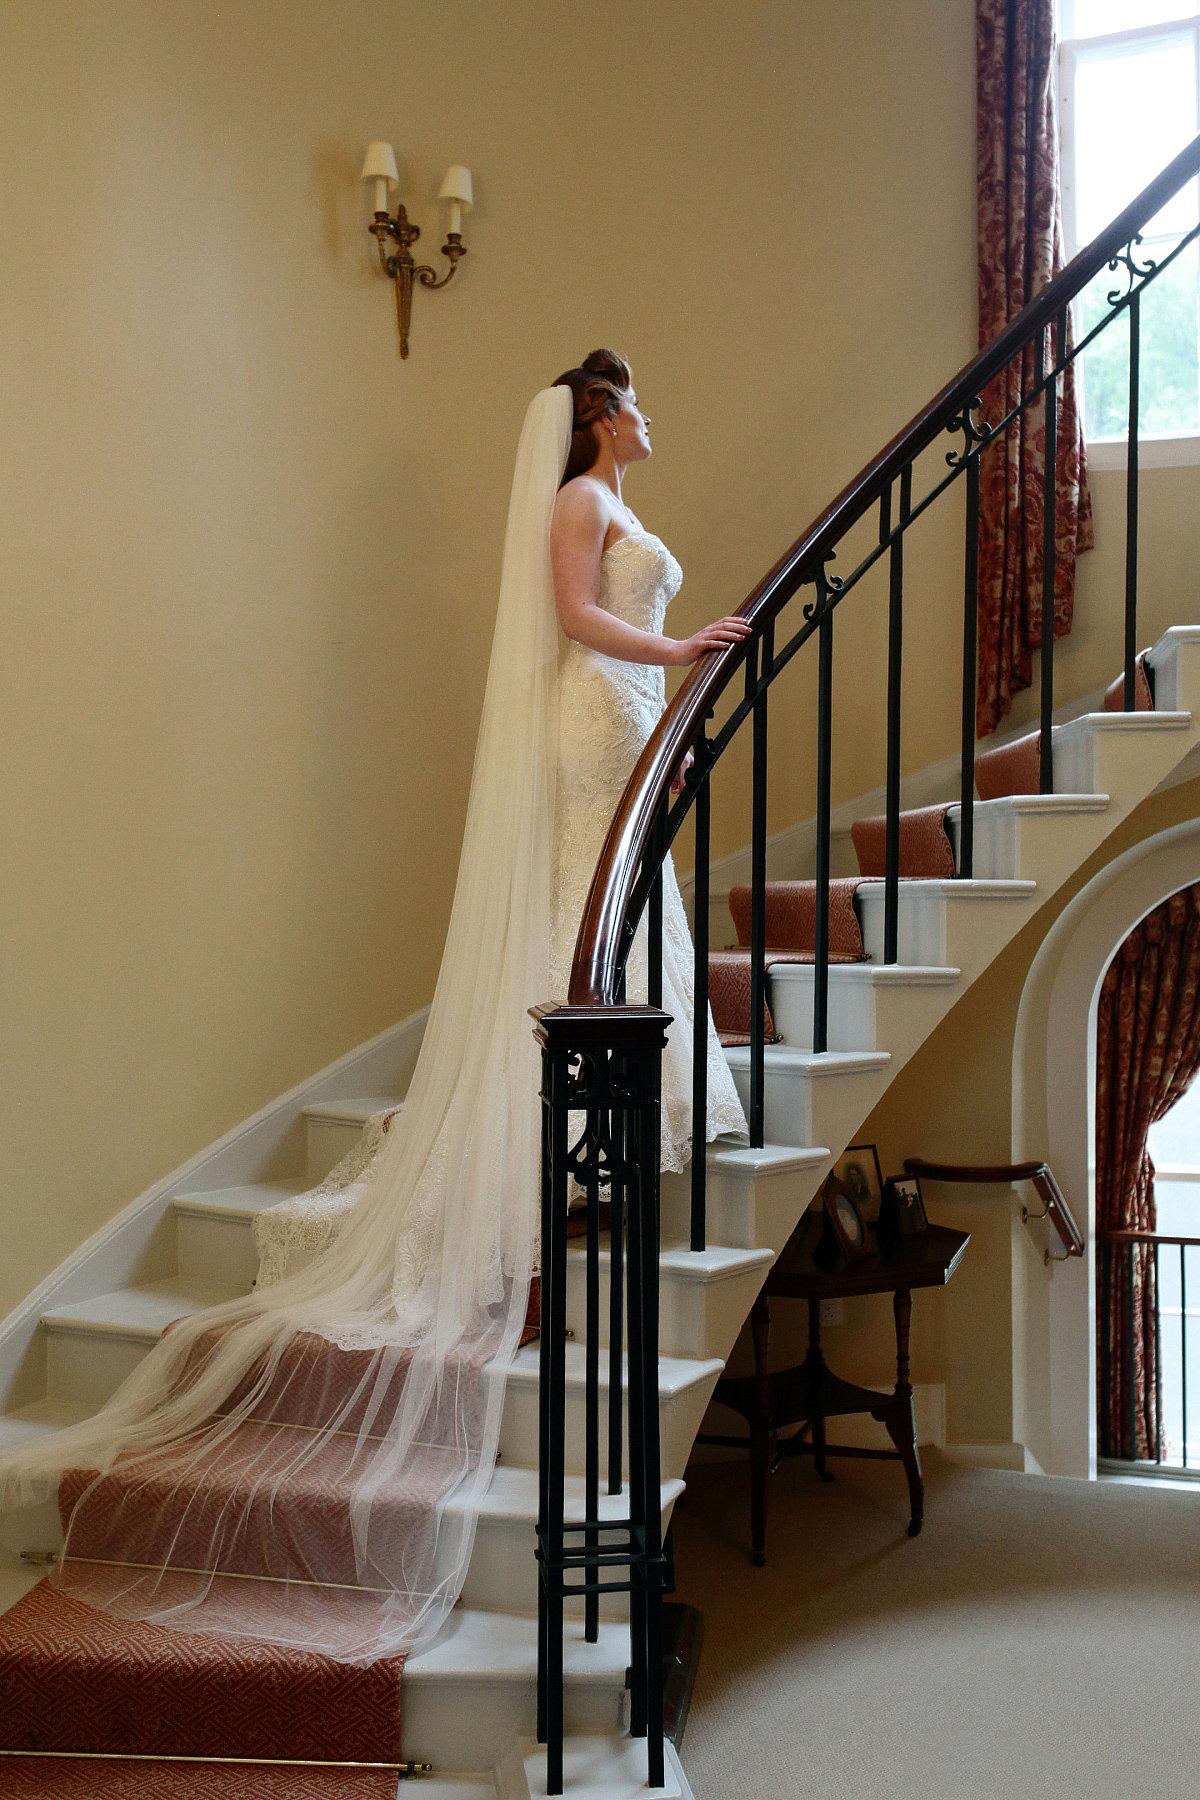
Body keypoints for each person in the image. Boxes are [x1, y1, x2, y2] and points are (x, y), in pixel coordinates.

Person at [0, 357, 750, 1664]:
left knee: (624, 918)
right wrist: (679, 648)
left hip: (631, 711)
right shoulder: (581, 501)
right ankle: (559, 1158)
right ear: (593, 420)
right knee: (587, 921)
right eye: (631, 400)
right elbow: (576, 615)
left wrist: (670, 678)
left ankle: (599, 1151)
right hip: (599, 711)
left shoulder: (613, 496)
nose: (647, 415)